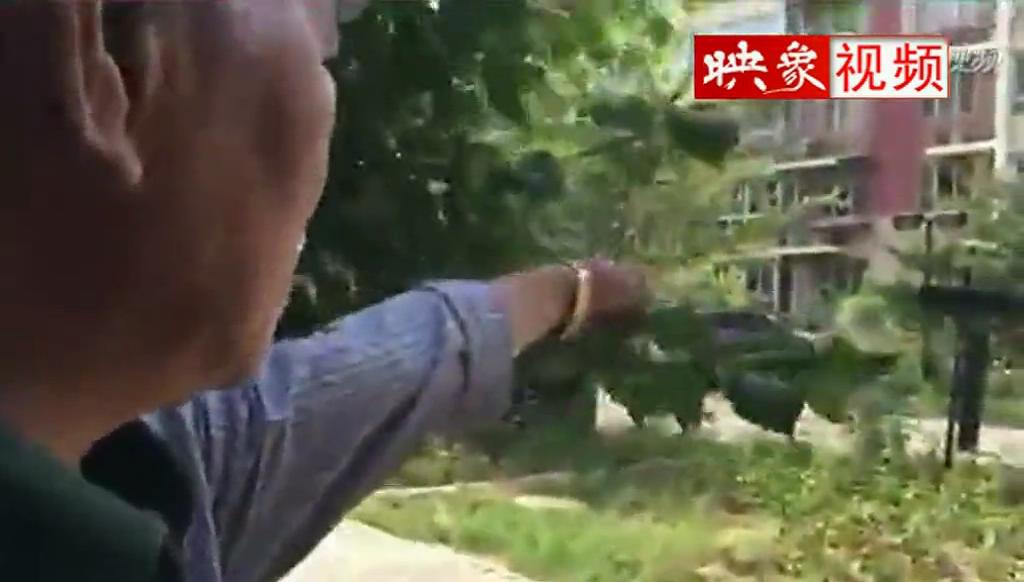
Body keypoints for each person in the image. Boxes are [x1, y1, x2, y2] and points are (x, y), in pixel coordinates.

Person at [0, 2, 649, 581]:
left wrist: (572, 292)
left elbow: (379, 369)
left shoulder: (137, 461)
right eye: (322, 44)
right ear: (96, 63)